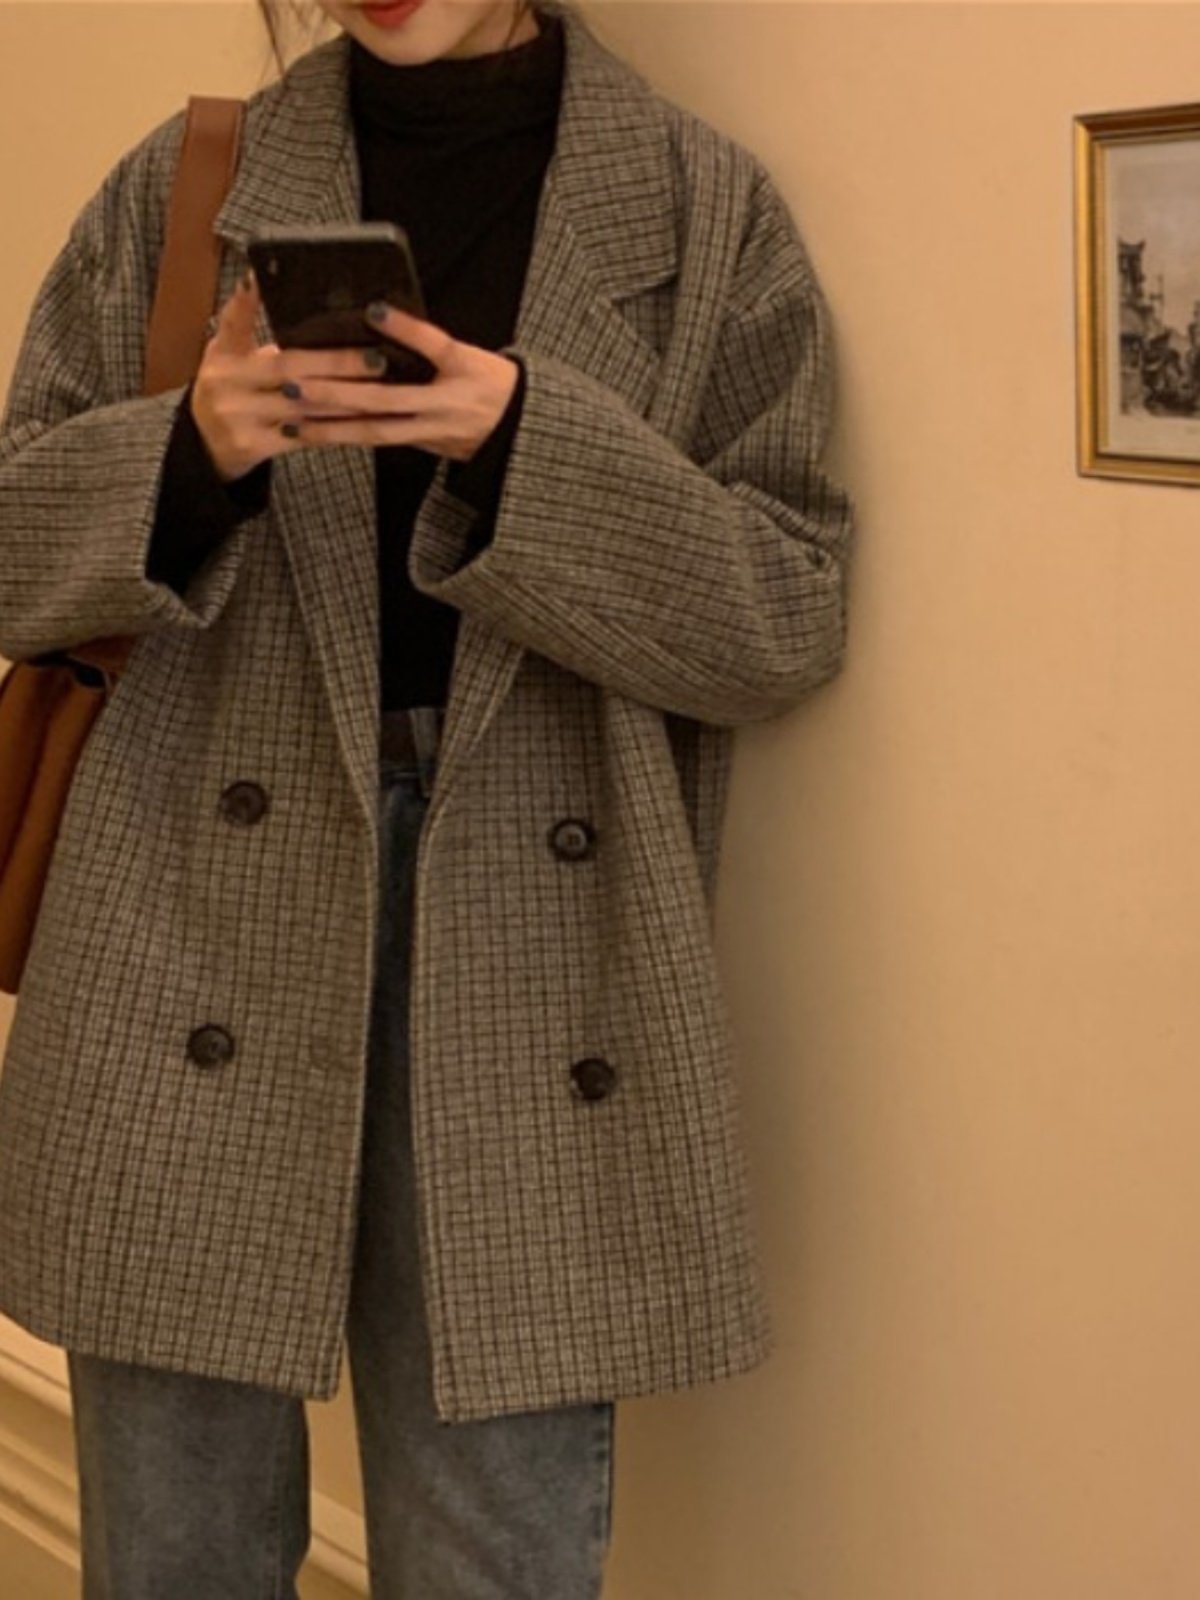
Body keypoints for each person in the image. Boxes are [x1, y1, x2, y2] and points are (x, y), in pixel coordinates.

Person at [0, 0, 855, 1594]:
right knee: (172, 1555)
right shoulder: (191, 182)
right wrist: (187, 453)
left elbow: (783, 615)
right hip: (187, 911)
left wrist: (522, 443)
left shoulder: (699, 208)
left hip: (533, 937)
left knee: (492, 1556)